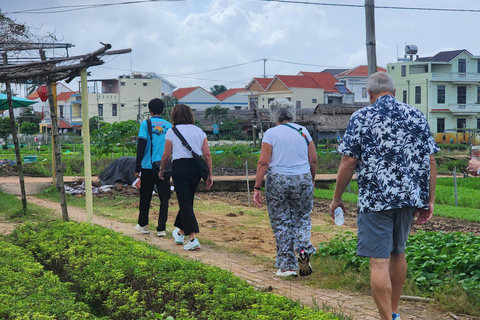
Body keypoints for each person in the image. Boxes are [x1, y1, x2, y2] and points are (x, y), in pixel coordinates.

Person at [329, 72, 438, 320]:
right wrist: (429, 200)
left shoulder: (362, 117)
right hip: (408, 197)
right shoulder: (415, 115)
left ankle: (386, 319)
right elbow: (430, 160)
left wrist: (337, 198)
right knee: (397, 253)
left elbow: (348, 160)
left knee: (378, 261)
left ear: (369, 94)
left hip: (376, 199)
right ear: (394, 91)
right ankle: (395, 312)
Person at [253, 98, 317, 277]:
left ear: (274, 114)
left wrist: (257, 187)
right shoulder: (303, 132)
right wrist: (311, 180)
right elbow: (313, 160)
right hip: (303, 178)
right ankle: (303, 248)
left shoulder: (271, 134)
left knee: (282, 222)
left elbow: (263, 162)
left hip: (279, 180)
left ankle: (287, 266)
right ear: (291, 113)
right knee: (302, 217)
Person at [159, 104, 213, 251]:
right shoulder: (199, 131)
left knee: (185, 202)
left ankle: (193, 238)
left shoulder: (172, 131)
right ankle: (180, 233)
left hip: (180, 168)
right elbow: (207, 154)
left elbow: (166, 155)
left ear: (175, 116)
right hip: (196, 168)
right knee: (187, 200)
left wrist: (161, 169)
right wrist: (209, 173)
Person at [134, 98, 173, 236]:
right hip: (164, 166)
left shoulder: (146, 124)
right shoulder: (169, 126)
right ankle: (161, 228)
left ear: (150, 110)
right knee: (164, 197)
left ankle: (143, 224)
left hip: (148, 166)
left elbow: (141, 144)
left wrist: (137, 167)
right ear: (162, 110)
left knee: (145, 196)